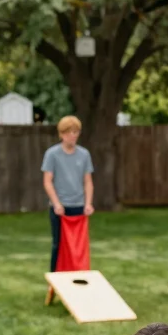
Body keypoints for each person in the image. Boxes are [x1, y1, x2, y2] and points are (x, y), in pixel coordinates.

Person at [42, 115, 94, 272]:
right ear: (62, 134)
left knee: (79, 246)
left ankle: (79, 277)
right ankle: (54, 282)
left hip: (78, 207)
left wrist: (88, 203)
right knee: (58, 245)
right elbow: (47, 181)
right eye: (70, 132)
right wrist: (56, 204)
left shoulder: (84, 154)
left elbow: (88, 181)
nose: (74, 135)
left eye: (76, 131)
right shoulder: (52, 154)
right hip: (60, 208)